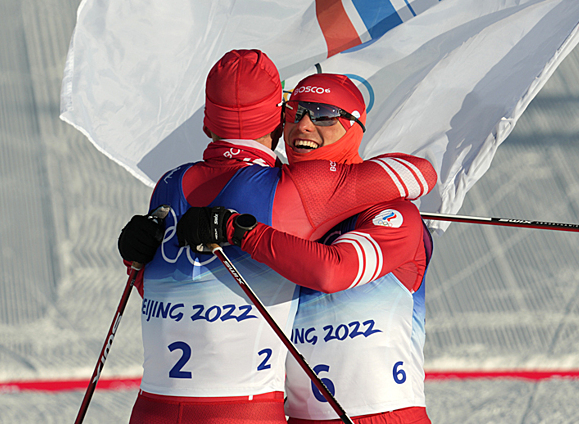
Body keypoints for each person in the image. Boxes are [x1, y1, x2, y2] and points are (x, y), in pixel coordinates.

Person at [117, 50, 436, 423]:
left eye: (324, 114)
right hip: (286, 415)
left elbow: (333, 270)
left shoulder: (392, 213)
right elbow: (192, 299)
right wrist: (139, 260)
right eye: (295, 112)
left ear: (355, 127)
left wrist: (238, 229)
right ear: (277, 121)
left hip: (381, 416)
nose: (304, 125)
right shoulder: (288, 193)